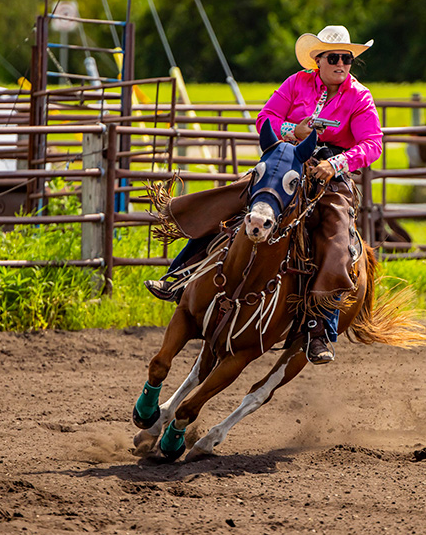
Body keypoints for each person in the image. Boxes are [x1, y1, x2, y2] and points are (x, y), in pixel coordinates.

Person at [145, 24, 384, 365]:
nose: (342, 64)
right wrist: (291, 130)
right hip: (284, 163)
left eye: (347, 58)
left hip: (330, 175)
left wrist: (338, 163)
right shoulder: (296, 82)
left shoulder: (359, 96)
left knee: (336, 236)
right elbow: (266, 118)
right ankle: (181, 275)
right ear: (318, 60)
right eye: (334, 57)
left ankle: (319, 328)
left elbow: (371, 143)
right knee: (228, 203)